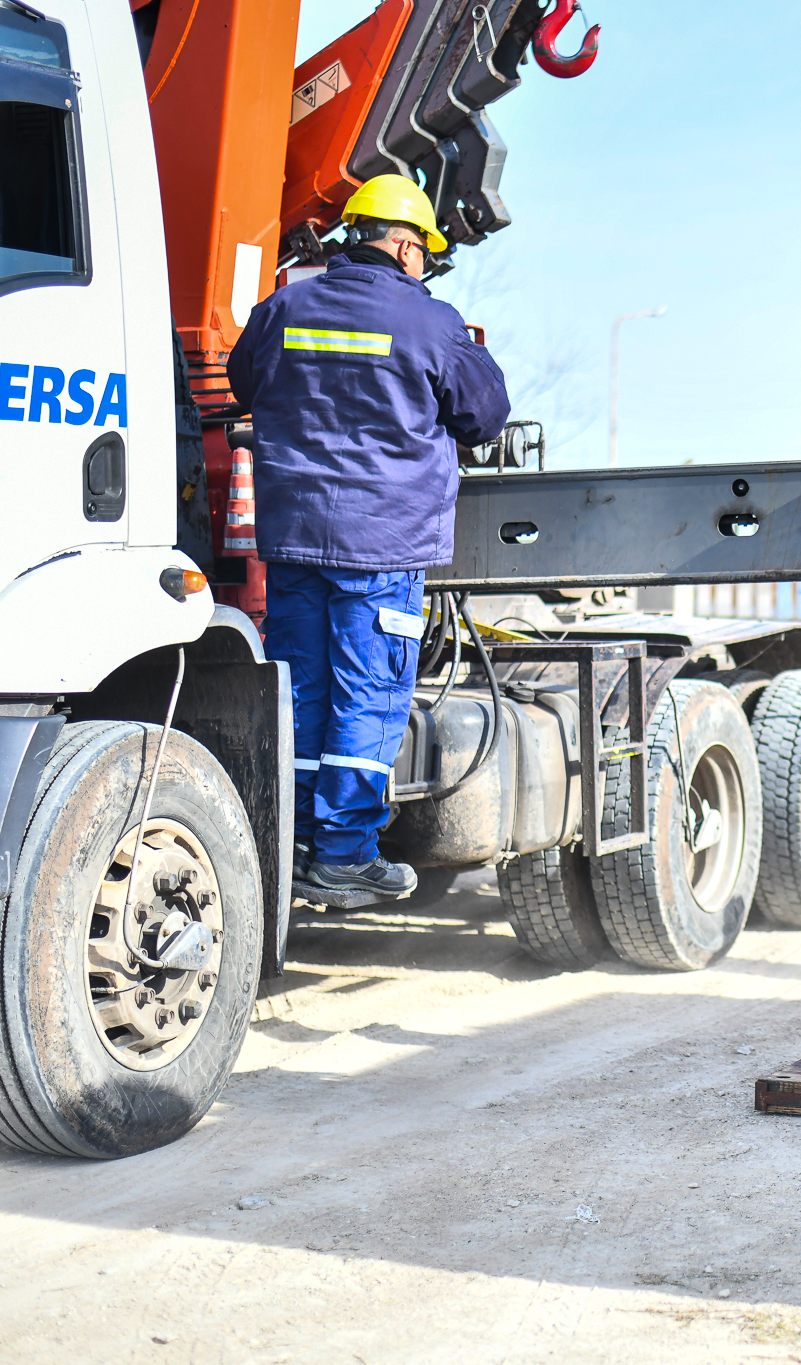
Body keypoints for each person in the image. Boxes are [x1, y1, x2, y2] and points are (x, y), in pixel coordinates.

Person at [227, 174, 511, 899]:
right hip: (383, 547)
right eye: (425, 255)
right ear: (407, 246)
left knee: (302, 690)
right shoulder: (430, 322)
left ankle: (294, 843)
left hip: (294, 539)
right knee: (369, 695)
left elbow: (243, 383)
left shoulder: (282, 308)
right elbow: (484, 415)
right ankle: (345, 853)